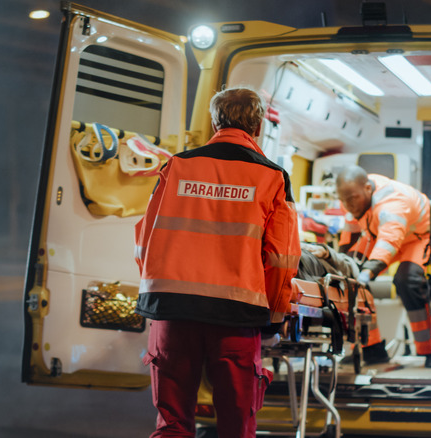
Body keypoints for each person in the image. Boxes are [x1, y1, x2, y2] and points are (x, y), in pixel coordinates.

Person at [134, 87, 300, 438]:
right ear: (257, 127)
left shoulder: (176, 166)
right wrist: (272, 316)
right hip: (236, 317)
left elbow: (144, 240)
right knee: (235, 425)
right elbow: (281, 260)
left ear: (214, 121)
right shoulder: (271, 177)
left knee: (172, 424)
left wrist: (156, 290)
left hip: (172, 311)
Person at [335, 166, 431, 368]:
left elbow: (389, 241)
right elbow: (349, 237)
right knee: (349, 279)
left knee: (407, 281)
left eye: (352, 199)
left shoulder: (392, 203)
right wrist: (342, 266)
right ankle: (370, 349)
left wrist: (368, 273)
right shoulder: (352, 195)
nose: (348, 205)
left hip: (418, 238)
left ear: (368, 188)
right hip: (380, 237)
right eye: (344, 200)